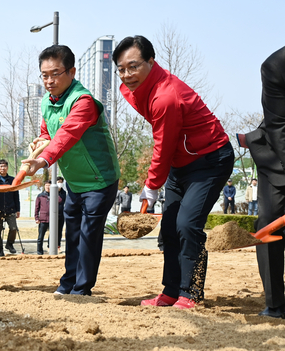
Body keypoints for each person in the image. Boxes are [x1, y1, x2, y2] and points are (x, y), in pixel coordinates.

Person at [113, 35, 234, 308]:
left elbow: (163, 143)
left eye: (133, 66)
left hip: (210, 159)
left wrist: (152, 185)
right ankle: (170, 291)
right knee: (169, 227)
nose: (127, 75)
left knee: (187, 225)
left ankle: (191, 293)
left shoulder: (166, 97)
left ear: (151, 62)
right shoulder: (133, 88)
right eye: (121, 69)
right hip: (181, 162)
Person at [23, 45, 120, 296]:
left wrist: (43, 161)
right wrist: (40, 141)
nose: (49, 80)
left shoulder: (83, 101)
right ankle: (68, 283)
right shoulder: (47, 101)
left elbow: (66, 136)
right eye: (44, 75)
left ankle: (81, 289)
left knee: (88, 235)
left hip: (99, 180)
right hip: (75, 182)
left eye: (55, 73)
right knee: (73, 234)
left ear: (72, 71)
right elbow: (50, 133)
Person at [241, 46, 285, 318]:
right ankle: (275, 303)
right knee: (269, 220)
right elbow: (279, 126)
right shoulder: (276, 66)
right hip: (278, 155)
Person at [34, 181, 50, 255]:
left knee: (52, 236)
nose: (48, 187)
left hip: (52, 219)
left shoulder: (56, 195)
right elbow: (37, 207)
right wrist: (36, 217)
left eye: (49, 185)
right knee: (41, 236)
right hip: (43, 219)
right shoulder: (40, 196)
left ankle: (51, 248)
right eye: (46, 185)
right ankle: (39, 251)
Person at [57, 176, 67, 249]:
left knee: (59, 230)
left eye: (61, 182)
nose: (60, 184)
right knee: (53, 230)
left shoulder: (64, 192)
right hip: (53, 214)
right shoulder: (52, 191)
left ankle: (58, 245)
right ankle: (50, 245)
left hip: (61, 213)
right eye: (58, 182)